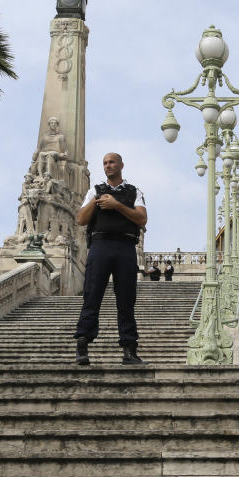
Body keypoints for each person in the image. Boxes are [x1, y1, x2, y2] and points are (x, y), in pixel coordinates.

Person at [73, 152, 147, 366]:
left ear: (121, 165)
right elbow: (80, 219)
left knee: (126, 299)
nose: (108, 166)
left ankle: (129, 349)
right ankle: (82, 344)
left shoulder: (134, 191)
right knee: (92, 294)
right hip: (100, 245)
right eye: (105, 163)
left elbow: (142, 218)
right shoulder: (94, 192)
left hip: (125, 246)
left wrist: (117, 205)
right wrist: (97, 201)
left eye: (112, 162)